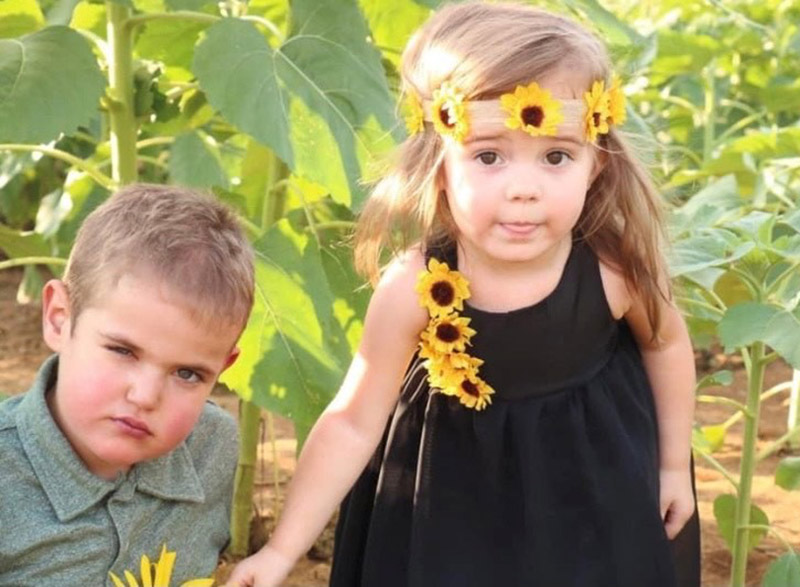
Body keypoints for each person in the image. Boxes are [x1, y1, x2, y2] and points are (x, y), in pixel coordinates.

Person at [228, 2, 700, 585]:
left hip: (588, 498)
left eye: (556, 156)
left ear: (596, 163)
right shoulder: (416, 287)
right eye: (488, 156)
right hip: (450, 509)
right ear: (438, 164)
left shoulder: (613, 272)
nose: (523, 188)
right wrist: (281, 552)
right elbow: (353, 421)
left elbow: (665, 345)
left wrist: (671, 465)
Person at [0, 184, 254, 585]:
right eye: (122, 351)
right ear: (59, 319)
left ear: (223, 368)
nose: (146, 396)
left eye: (187, 374)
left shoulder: (211, 448)